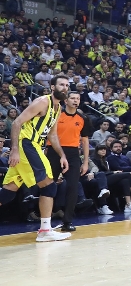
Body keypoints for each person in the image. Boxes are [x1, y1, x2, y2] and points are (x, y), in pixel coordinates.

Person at [0, 75, 72, 241]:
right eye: (61, 84)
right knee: (49, 186)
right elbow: (17, 122)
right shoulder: (42, 102)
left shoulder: (58, 108)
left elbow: (52, 135)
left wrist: (62, 155)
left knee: (7, 194)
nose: (65, 88)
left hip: (36, 147)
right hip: (27, 145)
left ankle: (45, 230)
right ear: (52, 87)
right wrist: (15, 150)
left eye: (67, 85)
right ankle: (45, 231)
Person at [45, 90, 92, 232]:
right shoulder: (57, 114)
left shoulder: (83, 118)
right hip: (54, 151)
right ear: (66, 101)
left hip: (72, 153)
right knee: (48, 185)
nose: (75, 101)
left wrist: (85, 163)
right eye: (72, 98)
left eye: (77, 98)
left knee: (72, 187)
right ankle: (45, 221)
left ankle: (67, 221)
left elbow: (85, 141)